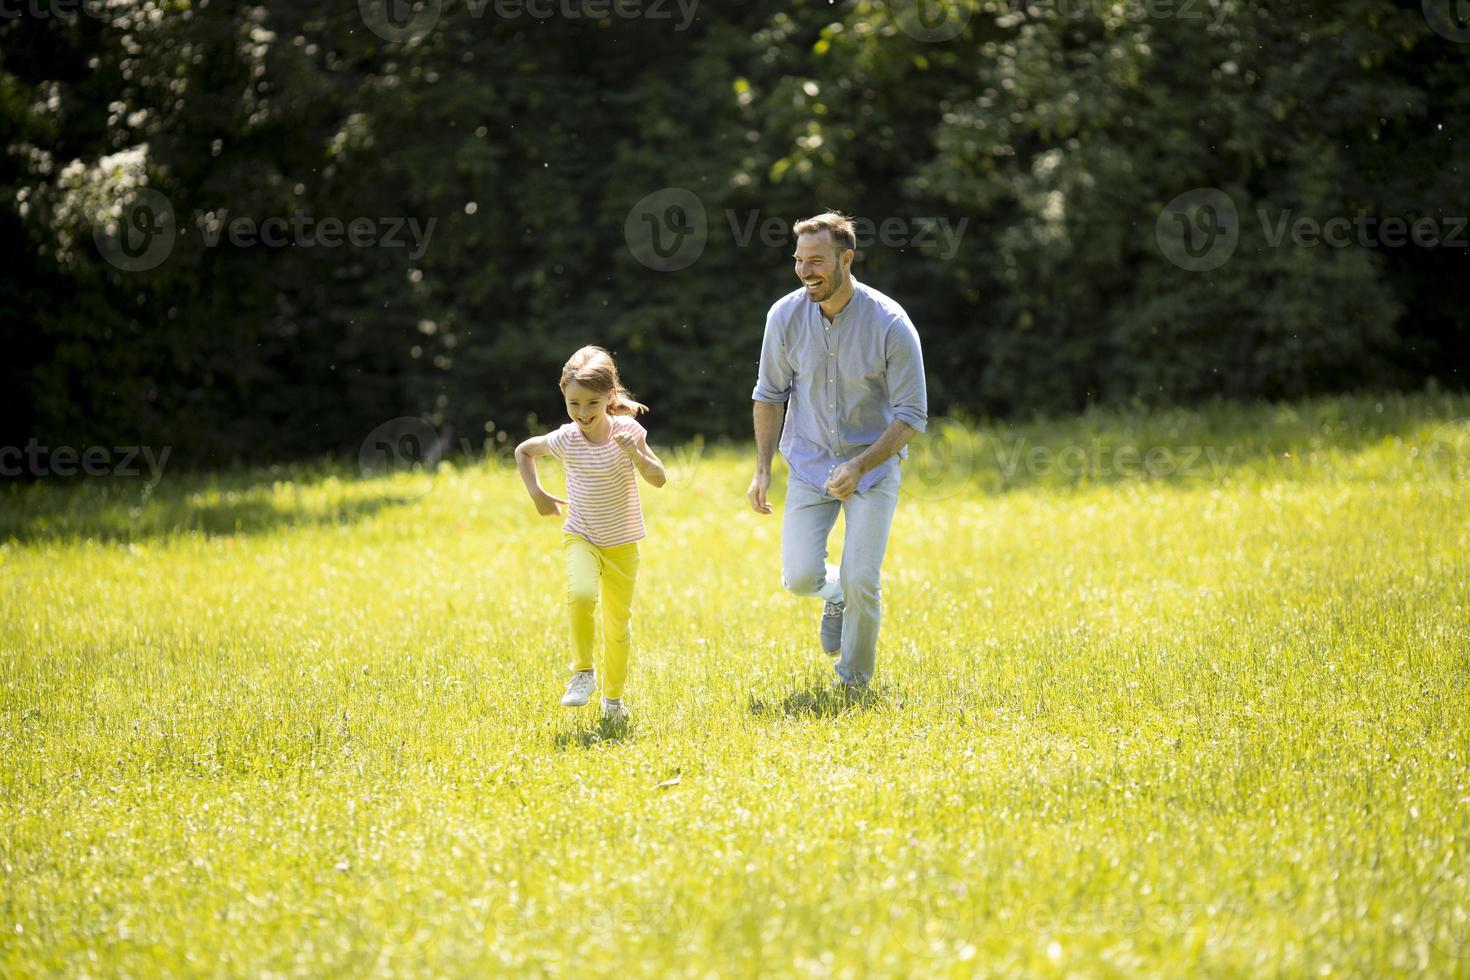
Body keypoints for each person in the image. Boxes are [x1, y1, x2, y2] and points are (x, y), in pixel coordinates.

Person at [747, 212, 928, 691]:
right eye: (799, 261)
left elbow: (911, 415)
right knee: (801, 577)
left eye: (817, 261)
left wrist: (860, 463)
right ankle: (836, 595)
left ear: (846, 259)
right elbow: (769, 394)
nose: (806, 271)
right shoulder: (783, 316)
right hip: (808, 462)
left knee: (862, 578)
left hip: (873, 465)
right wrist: (763, 469)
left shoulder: (890, 324)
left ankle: (853, 682)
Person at [515, 346, 666, 723]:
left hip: (623, 543)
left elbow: (659, 479)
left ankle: (613, 701)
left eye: (591, 403)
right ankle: (583, 673)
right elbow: (523, 451)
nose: (582, 413)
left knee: (618, 626)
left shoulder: (628, 431)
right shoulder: (566, 438)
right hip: (581, 534)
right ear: (564, 397)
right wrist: (536, 494)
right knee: (580, 595)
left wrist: (636, 454)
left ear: (610, 396)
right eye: (573, 403)